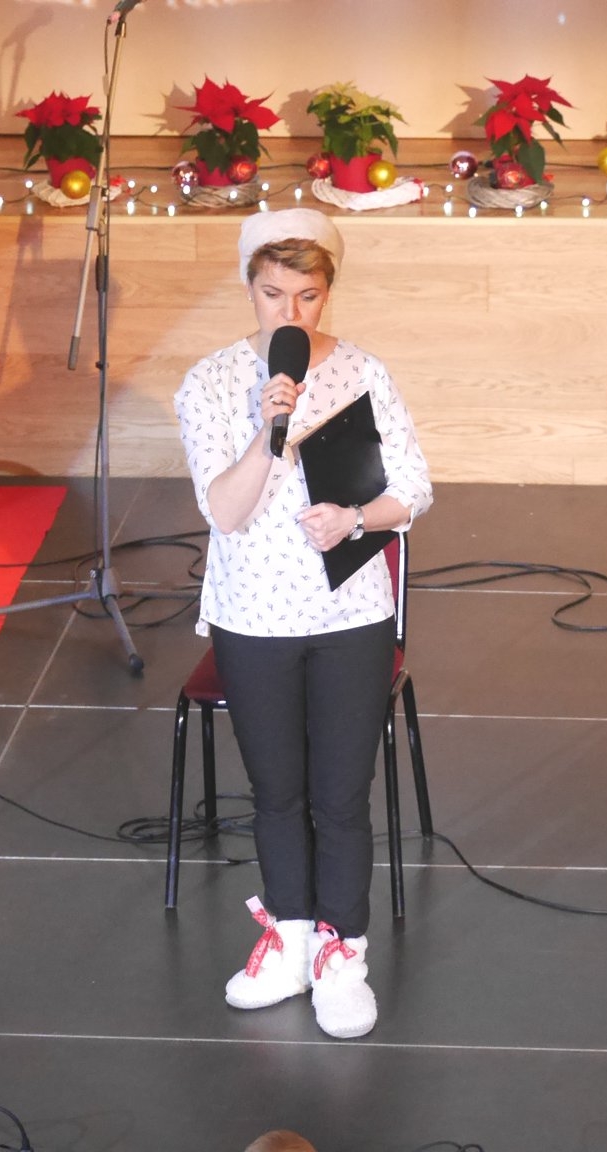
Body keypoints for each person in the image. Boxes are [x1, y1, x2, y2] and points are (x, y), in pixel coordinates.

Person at [172, 207, 433, 1040]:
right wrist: (268, 429)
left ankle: (341, 952)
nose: (290, 312)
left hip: (349, 613)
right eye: (273, 293)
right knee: (277, 792)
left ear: (327, 294)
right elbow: (223, 512)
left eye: (308, 296)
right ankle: (288, 937)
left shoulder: (361, 372)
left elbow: (413, 490)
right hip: (253, 616)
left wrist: (356, 519)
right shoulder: (211, 382)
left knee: (340, 796)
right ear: (249, 288)